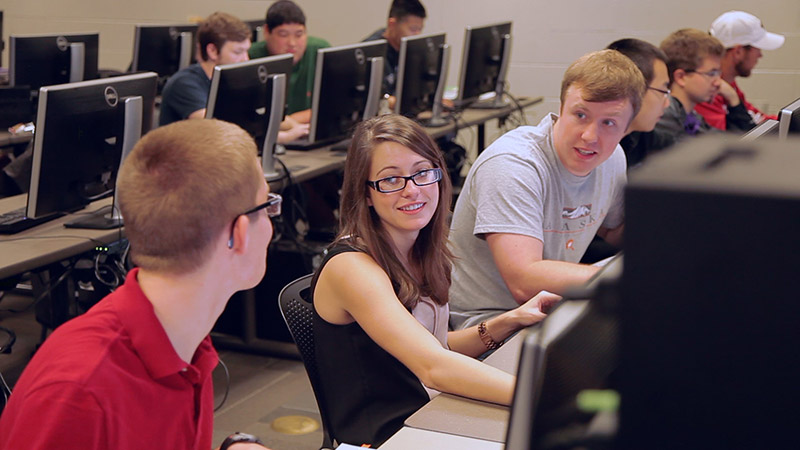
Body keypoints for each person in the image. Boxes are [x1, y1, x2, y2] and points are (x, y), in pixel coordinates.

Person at [0, 119, 276, 450]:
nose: (273, 225)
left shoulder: (184, 340)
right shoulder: (78, 393)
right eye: (269, 205)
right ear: (239, 234)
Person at [310, 114, 559, 447]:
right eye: (391, 180)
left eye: (422, 172)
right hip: (385, 437)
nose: (413, 189)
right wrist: (550, 395)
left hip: (428, 410)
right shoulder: (353, 268)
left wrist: (508, 322)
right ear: (366, 193)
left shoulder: (420, 248)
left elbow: (434, 345)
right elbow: (432, 366)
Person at [448, 49, 643, 330]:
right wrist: (631, 281)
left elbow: (613, 233)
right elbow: (524, 281)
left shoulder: (612, 159)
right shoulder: (514, 165)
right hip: (486, 323)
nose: (590, 136)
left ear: (626, 129)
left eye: (608, 123)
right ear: (561, 108)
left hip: (552, 311)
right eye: (580, 114)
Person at [650, 29, 752, 149]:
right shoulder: (664, 120)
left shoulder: (691, 117)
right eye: (711, 73)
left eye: (718, 72)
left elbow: (737, 144)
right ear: (681, 77)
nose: (718, 82)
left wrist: (733, 99)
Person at [695, 10, 785, 131]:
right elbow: (725, 142)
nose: (760, 55)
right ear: (738, 52)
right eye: (757, 48)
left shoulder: (728, 84)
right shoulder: (707, 92)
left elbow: (757, 119)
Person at [159, 12, 252, 126]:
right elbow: (214, 128)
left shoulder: (230, 82)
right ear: (212, 51)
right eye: (238, 52)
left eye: (246, 51)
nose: (246, 59)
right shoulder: (184, 84)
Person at [248, 0, 330, 124]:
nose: (292, 43)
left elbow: (333, 103)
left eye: (299, 34)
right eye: (283, 34)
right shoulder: (249, 57)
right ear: (266, 32)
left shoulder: (320, 50)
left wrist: (289, 122)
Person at [606, 38, 672, 169]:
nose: (667, 103)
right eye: (662, 91)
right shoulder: (587, 148)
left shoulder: (646, 139)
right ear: (635, 90)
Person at [363, 0, 426, 98]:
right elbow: (372, 97)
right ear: (392, 24)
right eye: (413, 29)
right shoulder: (370, 51)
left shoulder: (409, 49)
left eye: (420, 29)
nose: (417, 35)